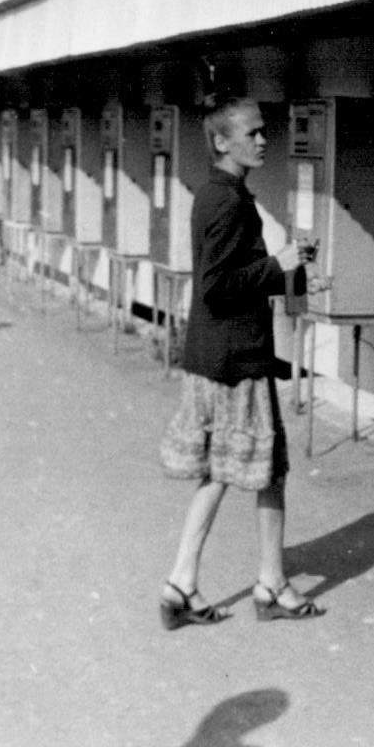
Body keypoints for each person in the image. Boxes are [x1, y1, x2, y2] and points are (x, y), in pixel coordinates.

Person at [157, 95, 329, 629]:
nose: (262, 140)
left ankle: (194, 581)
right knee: (260, 467)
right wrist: (276, 266)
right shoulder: (227, 201)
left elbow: (232, 273)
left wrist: (291, 273)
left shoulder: (218, 194)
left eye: (262, 131)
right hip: (237, 359)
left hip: (217, 355)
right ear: (220, 141)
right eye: (251, 132)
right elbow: (214, 288)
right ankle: (258, 583)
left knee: (230, 470)